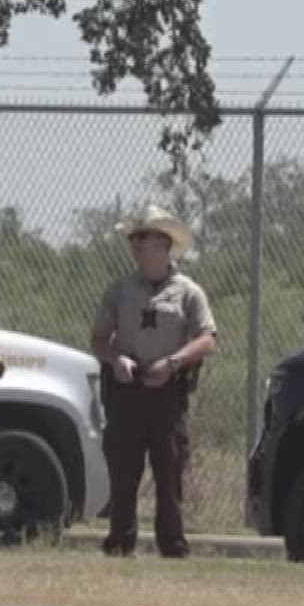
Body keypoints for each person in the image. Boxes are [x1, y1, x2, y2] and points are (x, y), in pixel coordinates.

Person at [90, 204, 217, 559]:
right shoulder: (119, 290)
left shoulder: (188, 291)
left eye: (142, 239)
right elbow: (98, 339)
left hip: (168, 392)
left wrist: (173, 362)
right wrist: (117, 360)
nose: (135, 246)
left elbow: (207, 339)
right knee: (124, 469)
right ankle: (120, 540)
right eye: (134, 240)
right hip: (127, 390)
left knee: (170, 469)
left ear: (164, 244)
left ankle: (172, 544)